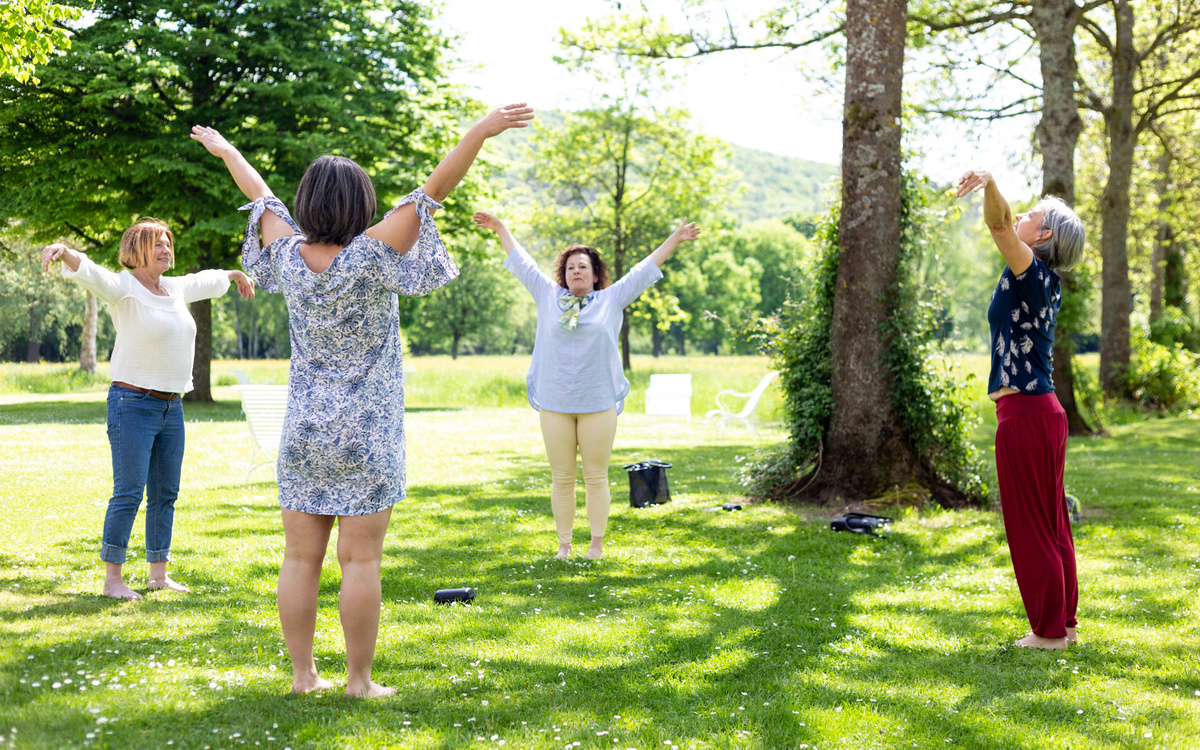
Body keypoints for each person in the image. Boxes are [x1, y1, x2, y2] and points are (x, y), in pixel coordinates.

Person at [192, 103, 533, 698]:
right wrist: (479, 131)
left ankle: (304, 678)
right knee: (360, 563)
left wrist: (228, 152)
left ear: (307, 204)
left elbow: (261, 199)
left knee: (299, 559)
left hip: (302, 430)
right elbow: (431, 194)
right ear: (361, 205)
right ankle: (358, 682)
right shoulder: (373, 255)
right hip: (366, 432)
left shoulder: (286, 258)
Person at [41, 223, 255, 601]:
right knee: (128, 492)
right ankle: (113, 581)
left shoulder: (173, 289)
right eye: (157, 244)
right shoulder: (124, 288)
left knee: (165, 493)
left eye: (167, 243)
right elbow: (91, 273)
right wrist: (64, 250)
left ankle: (158, 574)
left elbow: (202, 281)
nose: (165, 249)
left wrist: (233, 274)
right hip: (132, 403)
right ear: (137, 249)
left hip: (172, 406)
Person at [472, 211, 700, 561]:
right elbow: (523, 262)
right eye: (570, 268)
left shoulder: (611, 299)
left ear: (596, 275)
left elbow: (644, 269)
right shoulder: (548, 296)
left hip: (598, 403)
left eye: (583, 267)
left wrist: (676, 238)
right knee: (562, 478)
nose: (576, 271)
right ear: (563, 276)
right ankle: (564, 546)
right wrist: (500, 228)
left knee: (596, 476)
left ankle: (596, 544)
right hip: (555, 401)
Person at [956, 169, 1086, 650]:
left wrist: (989, 182)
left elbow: (998, 224)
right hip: (1043, 412)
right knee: (1052, 522)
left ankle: (1049, 634)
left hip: (1028, 415)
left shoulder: (1030, 271)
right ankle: (1064, 624)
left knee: (1032, 526)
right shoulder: (1042, 280)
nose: (1023, 215)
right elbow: (1007, 223)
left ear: (1044, 234)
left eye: (1033, 214)